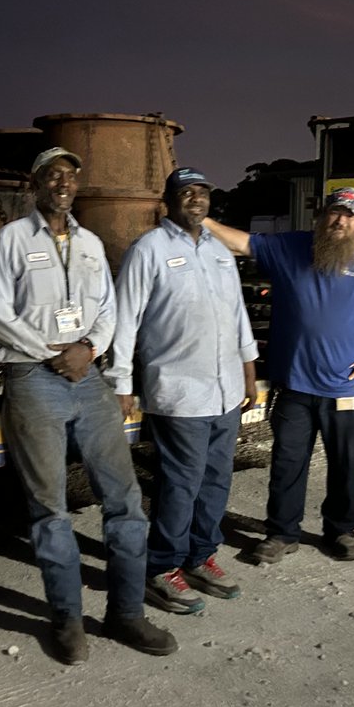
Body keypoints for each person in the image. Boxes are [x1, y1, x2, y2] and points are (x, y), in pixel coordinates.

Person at [0, 146, 177, 664]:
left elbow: (109, 309)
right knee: (50, 509)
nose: (62, 182)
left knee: (124, 499)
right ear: (35, 183)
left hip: (87, 374)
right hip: (32, 374)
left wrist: (88, 350)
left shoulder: (90, 243)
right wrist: (51, 353)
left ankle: (127, 613)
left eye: (69, 175)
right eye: (52, 174)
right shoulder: (12, 240)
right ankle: (67, 619)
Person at [202, 187, 354, 563]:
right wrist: (202, 219)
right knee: (287, 463)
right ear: (320, 217)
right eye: (334, 213)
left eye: (349, 215)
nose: (340, 220)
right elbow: (241, 243)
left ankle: (341, 530)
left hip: (348, 388)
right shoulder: (291, 248)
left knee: (348, 464)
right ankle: (282, 532)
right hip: (295, 387)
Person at [108, 167, 259, 615]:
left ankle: (199, 556)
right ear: (168, 201)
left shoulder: (218, 251)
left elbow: (238, 315)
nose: (196, 199)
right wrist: (121, 381)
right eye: (186, 192)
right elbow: (125, 319)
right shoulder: (149, 250)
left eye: (202, 192)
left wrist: (249, 370)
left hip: (226, 388)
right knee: (181, 484)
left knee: (216, 480)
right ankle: (161, 568)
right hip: (179, 391)